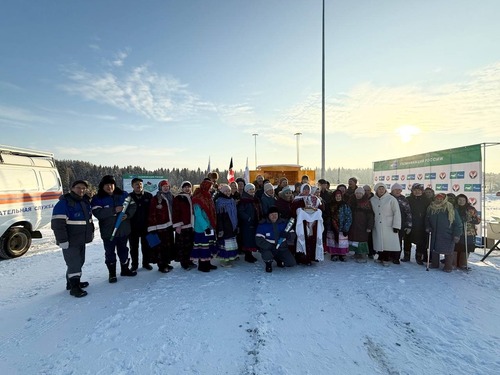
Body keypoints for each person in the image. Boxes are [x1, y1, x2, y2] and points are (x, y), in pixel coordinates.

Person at [51, 180, 94, 297]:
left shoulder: (84, 202)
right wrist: (62, 240)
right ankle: (74, 288)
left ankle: (72, 283)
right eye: (78, 188)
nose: (81, 190)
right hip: (70, 241)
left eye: (84, 188)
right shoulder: (64, 203)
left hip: (81, 239)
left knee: (79, 262)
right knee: (74, 264)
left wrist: (91, 233)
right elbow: (57, 224)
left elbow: (88, 221)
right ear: (72, 188)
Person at [91, 175, 137, 282]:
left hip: (123, 230)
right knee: (110, 252)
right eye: (106, 185)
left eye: (111, 184)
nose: (109, 187)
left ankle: (125, 269)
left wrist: (128, 214)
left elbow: (133, 206)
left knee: (124, 250)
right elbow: (97, 213)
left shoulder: (123, 194)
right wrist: (113, 210)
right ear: (102, 186)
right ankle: (112, 274)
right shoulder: (98, 198)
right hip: (108, 232)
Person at [426, 193, 463, 272]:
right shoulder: (431, 208)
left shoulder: (450, 208)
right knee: (434, 249)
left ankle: (448, 266)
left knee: (448, 251)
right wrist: (428, 226)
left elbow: (458, 223)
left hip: (448, 233)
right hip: (435, 232)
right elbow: (427, 219)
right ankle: (435, 264)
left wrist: (457, 234)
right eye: (437, 199)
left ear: (444, 199)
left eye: (441, 199)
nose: (439, 200)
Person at [255, 206, 297, 272]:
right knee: (267, 254)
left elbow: (293, 234)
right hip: (269, 248)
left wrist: (287, 235)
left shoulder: (284, 223)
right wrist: (270, 246)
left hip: (282, 247)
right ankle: (268, 264)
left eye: (275, 214)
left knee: (291, 263)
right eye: (272, 215)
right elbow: (259, 239)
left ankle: (278, 259)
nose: (274, 216)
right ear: (268, 215)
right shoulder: (263, 225)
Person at [291, 183, 324, 265]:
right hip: (303, 223)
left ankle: (313, 257)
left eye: (308, 189)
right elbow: (293, 210)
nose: (306, 191)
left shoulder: (314, 198)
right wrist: (301, 210)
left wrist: (316, 209)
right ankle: (303, 258)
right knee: (303, 239)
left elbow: (320, 207)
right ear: (302, 189)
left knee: (312, 240)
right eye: (305, 189)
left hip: (313, 224)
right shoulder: (297, 199)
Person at [370, 183, 401, 266]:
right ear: (376, 190)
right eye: (379, 189)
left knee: (388, 242)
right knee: (379, 241)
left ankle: (386, 258)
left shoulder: (391, 199)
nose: (381, 190)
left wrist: (396, 225)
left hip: (389, 225)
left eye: (382, 188)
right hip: (377, 224)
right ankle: (380, 257)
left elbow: (397, 213)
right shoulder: (372, 200)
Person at [148, 180, 176, 273]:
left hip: (169, 225)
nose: (166, 188)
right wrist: (152, 227)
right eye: (163, 186)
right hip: (159, 227)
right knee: (161, 247)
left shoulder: (171, 197)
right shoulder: (156, 198)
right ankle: (161, 265)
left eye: (167, 186)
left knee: (168, 246)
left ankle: (166, 263)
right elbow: (152, 212)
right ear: (160, 187)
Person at [191, 179, 218, 272]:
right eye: (210, 187)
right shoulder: (198, 198)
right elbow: (198, 215)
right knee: (203, 246)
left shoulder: (208, 196)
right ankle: (202, 265)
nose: (211, 189)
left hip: (209, 225)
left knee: (208, 246)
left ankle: (208, 263)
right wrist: (205, 226)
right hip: (202, 227)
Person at [129, 177, 154, 271]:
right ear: (132, 186)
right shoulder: (129, 197)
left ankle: (146, 263)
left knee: (146, 246)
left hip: (146, 226)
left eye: (140, 184)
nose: (138, 186)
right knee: (134, 247)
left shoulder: (149, 196)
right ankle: (134, 265)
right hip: (133, 227)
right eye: (136, 184)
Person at [172, 181, 197, 270]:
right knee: (183, 245)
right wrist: (178, 225)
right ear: (182, 188)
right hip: (183, 226)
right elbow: (175, 212)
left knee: (190, 244)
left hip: (192, 225)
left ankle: (190, 260)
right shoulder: (178, 198)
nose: (187, 189)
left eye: (189, 187)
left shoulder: (193, 197)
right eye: (185, 187)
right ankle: (184, 263)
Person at [403, 184, 430, 264]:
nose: (417, 192)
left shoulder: (426, 200)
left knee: (421, 242)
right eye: (415, 190)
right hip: (409, 224)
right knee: (407, 240)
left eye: (419, 190)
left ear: (422, 191)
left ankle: (419, 257)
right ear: (412, 191)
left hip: (421, 224)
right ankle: (406, 256)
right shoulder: (408, 199)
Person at [237, 183, 263, 263]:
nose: (252, 191)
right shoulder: (244, 200)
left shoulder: (254, 199)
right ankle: (248, 255)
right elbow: (241, 211)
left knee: (251, 238)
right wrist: (248, 218)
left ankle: (250, 254)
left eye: (253, 189)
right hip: (247, 223)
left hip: (254, 222)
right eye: (250, 189)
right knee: (247, 239)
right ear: (246, 190)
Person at [215, 184, 239, 267]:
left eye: (229, 190)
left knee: (231, 243)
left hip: (232, 224)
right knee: (225, 244)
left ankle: (231, 257)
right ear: (222, 191)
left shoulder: (232, 200)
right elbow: (219, 217)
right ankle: (224, 261)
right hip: (225, 226)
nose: (228, 192)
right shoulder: (220, 201)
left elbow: (235, 213)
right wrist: (220, 229)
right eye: (226, 191)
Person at [348, 187, 374, 263]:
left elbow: (370, 216)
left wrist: (370, 226)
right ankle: (356, 253)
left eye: (360, 193)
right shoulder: (351, 201)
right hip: (353, 225)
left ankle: (362, 255)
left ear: (363, 194)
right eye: (357, 193)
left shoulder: (367, 203)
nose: (358, 195)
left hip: (363, 225)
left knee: (362, 240)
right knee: (355, 239)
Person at [325, 189, 352, 261]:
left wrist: (346, 228)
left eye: (339, 196)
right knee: (333, 242)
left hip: (342, 227)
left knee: (341, 242)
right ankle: (333, 254)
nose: (338, 197)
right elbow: (327, 216)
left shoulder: (345, 205)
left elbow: (349, 217)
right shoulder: (329, 205)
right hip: (331, 227)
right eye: (336, 196)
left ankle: (342, 255)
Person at [455, 194, 480, 269]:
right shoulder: (454, 208)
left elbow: (478, 220)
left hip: (468, 232)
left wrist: (471, 220)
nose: (461, 202)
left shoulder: (470, 209)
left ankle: (463, 263)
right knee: (457, 247)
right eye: (459, 200)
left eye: (463, 200)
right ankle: (455, 263)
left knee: (466, 248)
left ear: (466, 201)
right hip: (457, 231)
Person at [390, 183, 412, 264]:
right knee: (389, 240)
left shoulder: (403, 199)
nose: (398, 191)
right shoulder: (388, 198)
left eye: (399, 190)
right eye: (396, 190)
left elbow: (408, 213)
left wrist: (409, 226)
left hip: (400, 224)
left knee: (398, 241)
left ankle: (396, 257)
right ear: (392, 190)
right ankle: (388, 256)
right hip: (388, 223)